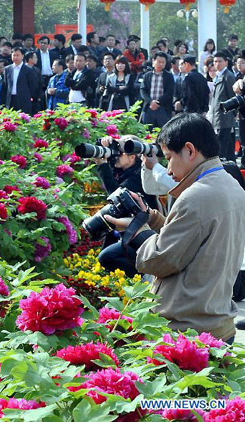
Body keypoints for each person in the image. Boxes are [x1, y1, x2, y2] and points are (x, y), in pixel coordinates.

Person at [106, 113, 245, 342]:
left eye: (169, 157)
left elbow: (160, 260)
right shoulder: (230, 184)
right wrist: (152, 218)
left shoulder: (195, 197)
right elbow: (196, 239)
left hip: (189, 331)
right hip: (217, 321)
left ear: (190, 150)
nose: (168, 169)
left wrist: (138, 231)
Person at [94, 136, 158, 277]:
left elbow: (117, 196)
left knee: (106, 257)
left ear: (132, 157)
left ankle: (142, 275)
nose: (116, 156)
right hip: (129, 230)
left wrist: (103, 166)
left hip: (144, 234)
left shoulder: (139, 176)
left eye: (120, 152)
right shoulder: (125, 171)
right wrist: (106, 148)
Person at [211, 52, 237, 161]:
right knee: (227, 149)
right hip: (218, 117)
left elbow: (233, 98)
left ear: (226, 62)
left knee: (223, 149)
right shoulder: (218, 76)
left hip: (225, 118)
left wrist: (233, 115)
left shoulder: (228, 76)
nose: (217, 64)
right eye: (215, 61)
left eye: (220, 61)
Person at [140, 52, 175, 128]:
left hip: (163, 108)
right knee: (147, 132)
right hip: (149, 107)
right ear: (153, 61)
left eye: (163, 62)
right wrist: (151, 102)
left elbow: (170, 92)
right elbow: (143, 90)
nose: (161, 64)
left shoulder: (169, 76)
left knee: (163, 131)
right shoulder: (147, 75)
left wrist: (158, 102)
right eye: (159, 62)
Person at [4, 47, 38, 114]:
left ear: (22, 56)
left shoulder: (28, 70)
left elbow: (33, 86)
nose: (15, 57)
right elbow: (6, 84)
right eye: (14, 55)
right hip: (11, 99)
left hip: (24, 100)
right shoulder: (7, 69)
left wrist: (28, 96)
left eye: (17, 55)